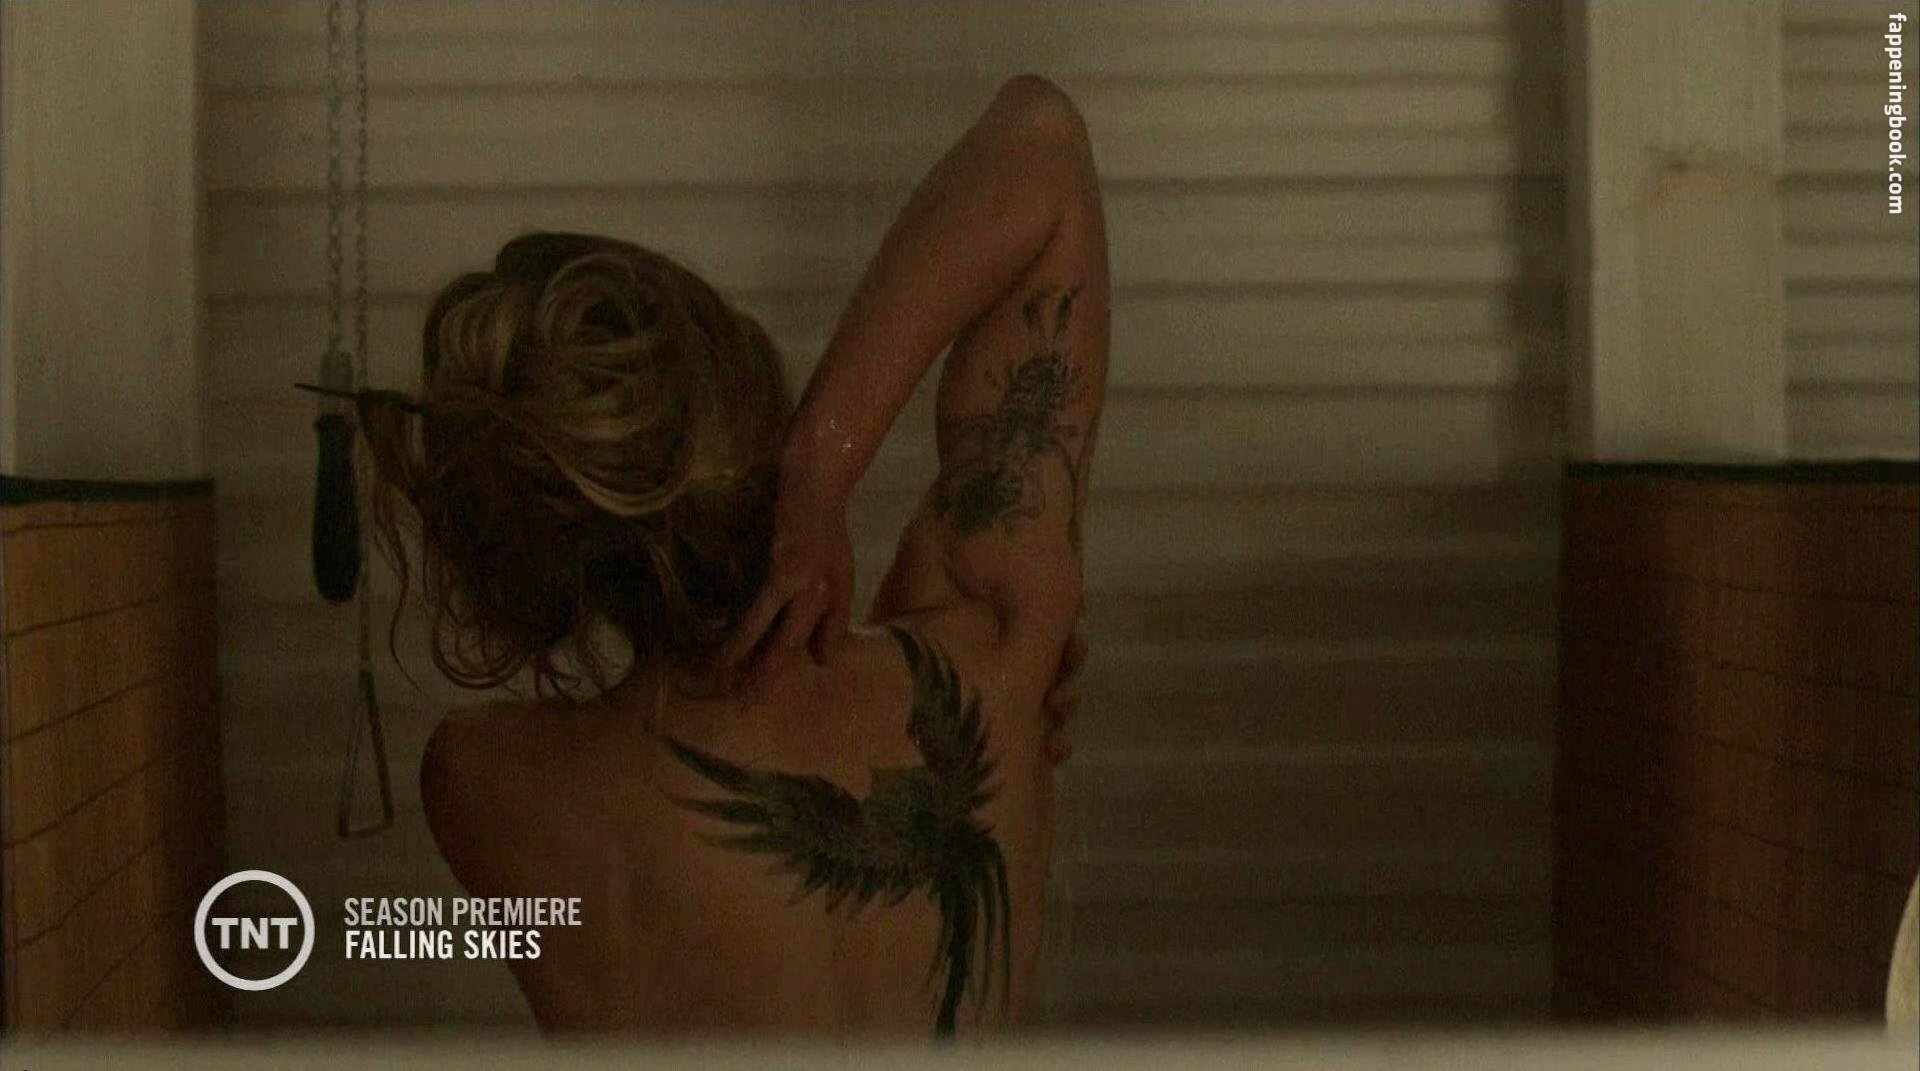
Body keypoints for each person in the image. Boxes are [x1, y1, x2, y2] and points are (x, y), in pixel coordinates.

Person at [345, 75, 1109, 1036]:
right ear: (752, 397)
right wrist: (822, 464)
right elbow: (1041, 141)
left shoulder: (492, 787)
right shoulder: (994, 657)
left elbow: (406, 928)